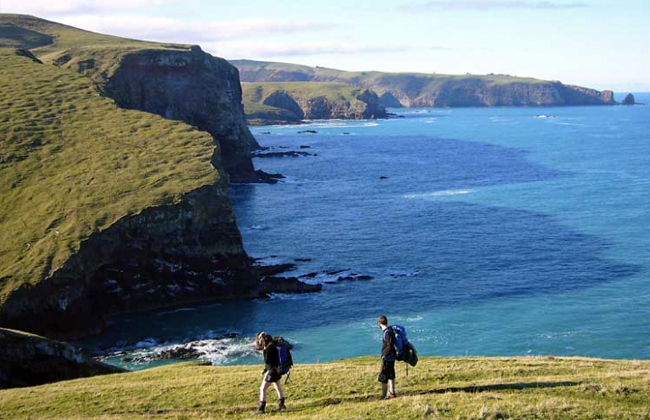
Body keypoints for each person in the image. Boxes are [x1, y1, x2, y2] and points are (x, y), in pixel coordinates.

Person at [254, 332, 290, 414]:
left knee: (262, 388)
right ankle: (282, 405)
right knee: (277, 386)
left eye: (260, 339)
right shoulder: (273, 345)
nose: (259, 341)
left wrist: (264, 349)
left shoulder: (269, 348)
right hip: (277, 370)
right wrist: (265, 369)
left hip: (273, 371)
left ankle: (261, 408)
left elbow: (267, 361)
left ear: (263, 339)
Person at [377, 315, 397, 399]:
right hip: (392, 357)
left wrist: (384, 355)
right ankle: (392, 392)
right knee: (391, 374)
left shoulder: (387, 332)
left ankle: (384, 395)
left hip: (387, 358)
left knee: (383, 376)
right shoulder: (390, 331)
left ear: (380, 323)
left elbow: (389, 345)